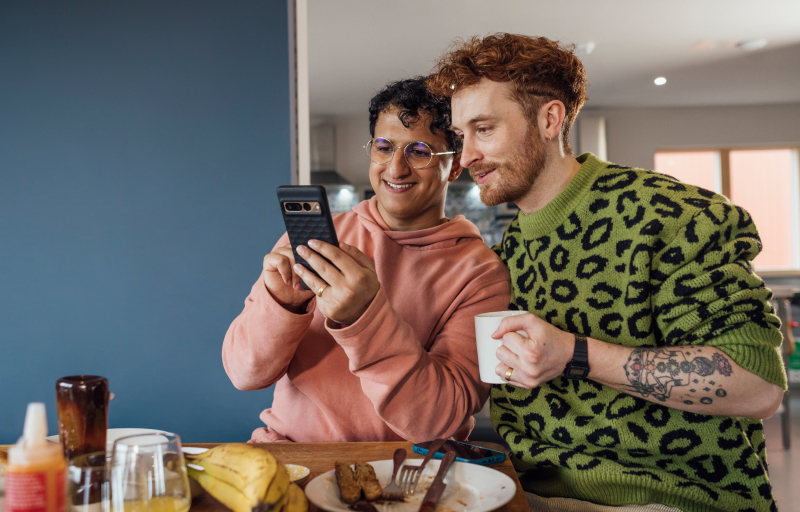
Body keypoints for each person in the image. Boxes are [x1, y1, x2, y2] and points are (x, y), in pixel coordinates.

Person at [427, 34, 787, 512]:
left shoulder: (670, 214)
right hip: (527, 495)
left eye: (485, 129)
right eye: (461, 136)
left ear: (550, 119)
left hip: (664, 498)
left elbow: (757, 384)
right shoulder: (505, 254)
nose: (466, 155)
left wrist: (575, 354)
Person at [222, 77, 510, 443]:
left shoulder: (481, 274)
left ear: (454, 167)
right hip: (293, 458)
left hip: (407, 475)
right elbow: (243, 374)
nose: (395, 169)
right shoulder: (317, 241)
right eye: (384, 147)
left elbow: (437, 420)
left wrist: (363, 317)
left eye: (419, 151)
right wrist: (281, 306)